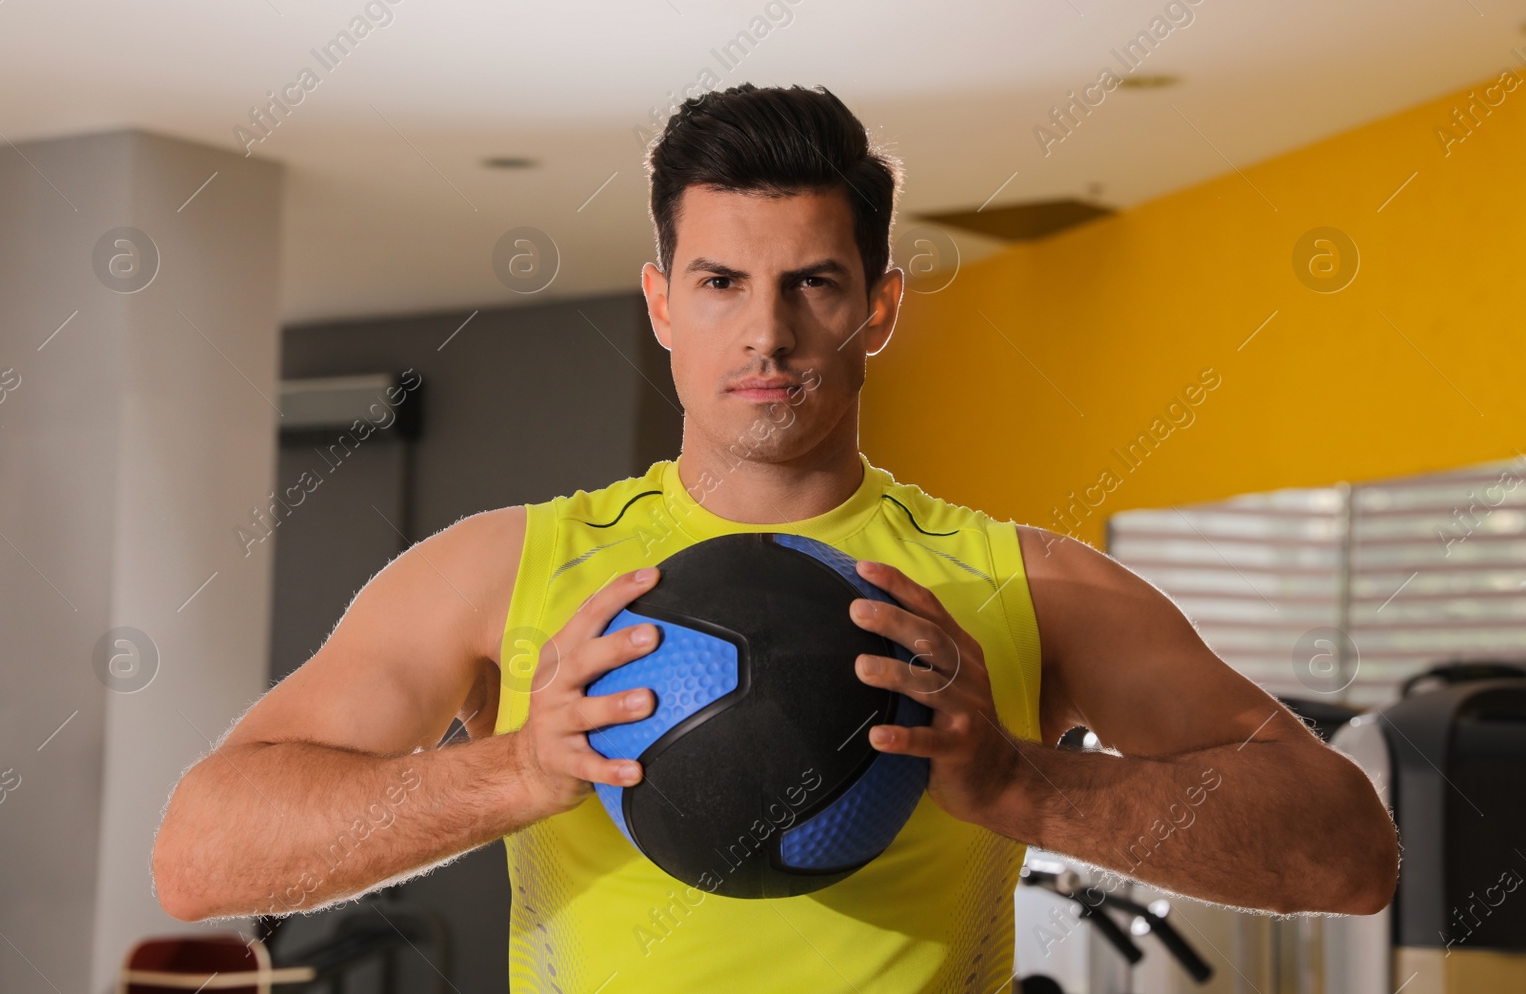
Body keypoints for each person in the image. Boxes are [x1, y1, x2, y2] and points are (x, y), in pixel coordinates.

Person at [152, 84, 1399, 992]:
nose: (766, 334)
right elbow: (203, 854)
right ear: (659, 303)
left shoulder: (1030, 588)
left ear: (879, 306)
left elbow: (1345, 851)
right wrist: (516, 768)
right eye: (718, 283)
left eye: (812, 281)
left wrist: (1020, 782)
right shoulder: (502, 571)